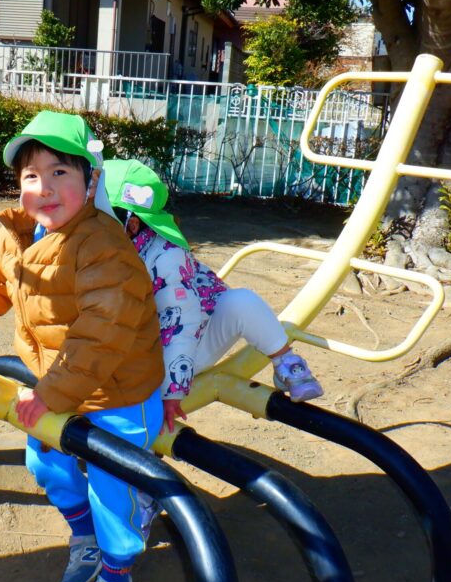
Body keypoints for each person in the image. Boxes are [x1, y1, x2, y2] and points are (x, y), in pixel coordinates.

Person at [0, 111, 164, 582]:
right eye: (31, 176)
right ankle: (84, 537)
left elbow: (101, 336)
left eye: (59, 173)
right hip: (59, 387)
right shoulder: (16, 237)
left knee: (113, 487)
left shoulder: (103, 246)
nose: (43, 188)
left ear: (90, 182)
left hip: (119, 392)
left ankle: (117, 580)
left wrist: (50, 394)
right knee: (46, 464)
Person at [100, 158, 323, 435]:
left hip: (185, 343)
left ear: (132, 225)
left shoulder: (165, 259)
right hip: (131, 347)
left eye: (99, 219)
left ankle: (286, 363)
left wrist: (172, 390)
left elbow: (182, 324)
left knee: (241, 303)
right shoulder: (97, 249)